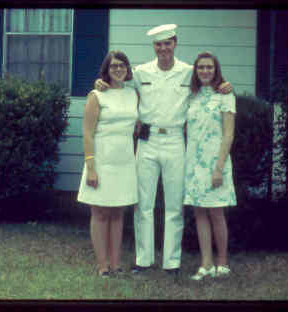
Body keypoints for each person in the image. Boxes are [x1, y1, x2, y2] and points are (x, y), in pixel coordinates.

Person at [95, 24, 232, 276]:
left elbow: (209, 83)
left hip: (175, 143)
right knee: (143, 204)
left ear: (175, 43)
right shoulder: (141, 72)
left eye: (167, 43)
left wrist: (225, 85)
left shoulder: (188, 72)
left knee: (174, 205)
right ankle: (143, 260)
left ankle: (172, 262)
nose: (163, 48)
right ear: (154, 47)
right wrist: (101, 82)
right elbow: (119, 83)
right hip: (147, 142)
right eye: (159, 44)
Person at [77, 51, 139, 278]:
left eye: (122, 65)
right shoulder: (96, 95)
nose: (118, 69)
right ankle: (102, 265)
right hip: (102, 159)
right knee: (101, 212)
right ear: (106, 69)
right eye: (113, 66)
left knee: (118, 212)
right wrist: (91, 166)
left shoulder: (133, 94)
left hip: (124, 160)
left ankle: (116, 263)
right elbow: (87, 133)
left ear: (127, 68)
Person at [184, 52, 237, 281]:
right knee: (199, 212)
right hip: (194, 163)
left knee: (216, 212)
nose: (205, 71)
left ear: (216, 70)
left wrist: (219, 167)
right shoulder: (191, 96)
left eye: (209, 67)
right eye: (201, 68)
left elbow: (228, 134)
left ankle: (222, 262)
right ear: (196, 71)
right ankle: (205, 264)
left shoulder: (225, 95)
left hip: (216, 162)